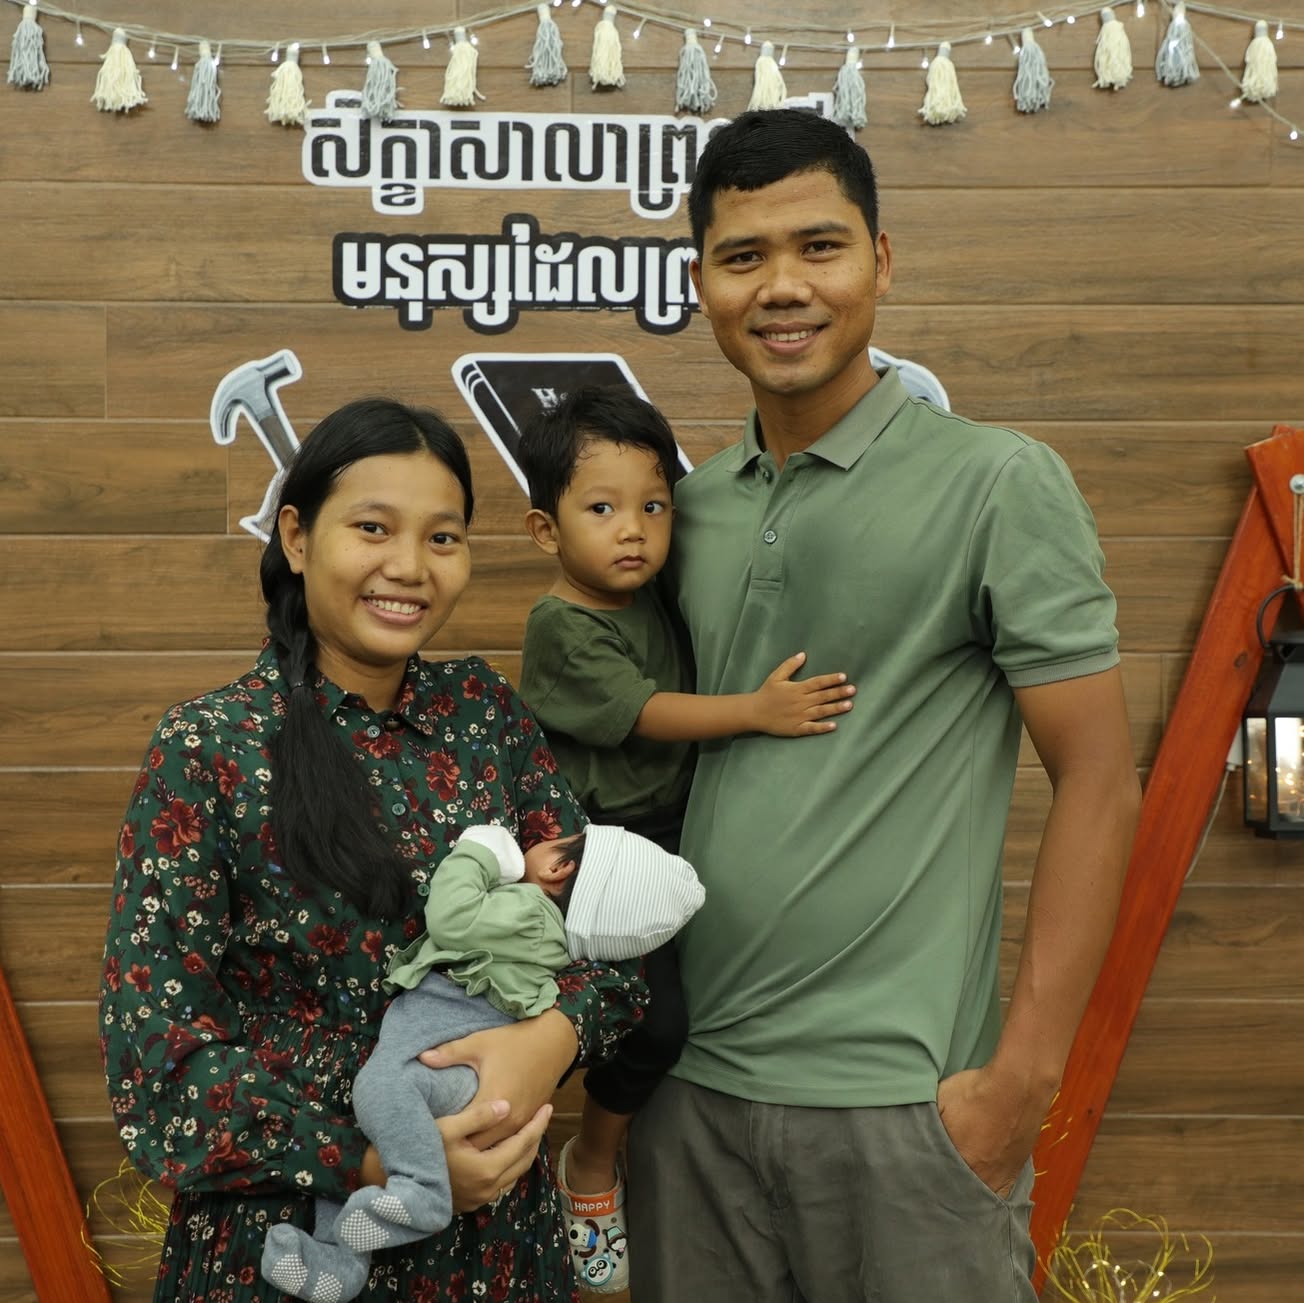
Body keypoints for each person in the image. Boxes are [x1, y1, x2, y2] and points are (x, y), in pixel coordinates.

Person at [625, 109, 1143, 1302]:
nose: (781, 286)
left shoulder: (995, 481)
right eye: (741, 256)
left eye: (819, 246)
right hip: (686, 1101)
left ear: (881, 261)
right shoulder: (684, 511)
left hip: (905, 1111)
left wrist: (1017, 1084)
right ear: (698, 283)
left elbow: (1098, 780)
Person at [100, 397, 649, 1303]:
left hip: (496, 1244)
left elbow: (615, 932)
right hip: (280, 1241)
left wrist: (548, 1041)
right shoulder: (211, 746)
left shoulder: (484, 713)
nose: (409, 566)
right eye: (372, 528)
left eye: (443, 537)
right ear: (297, 535)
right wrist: (374, 1158)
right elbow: (158, 1062)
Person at [515, 386, 855, 1292]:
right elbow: (648, 712)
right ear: (546, 530)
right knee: (657, 1021)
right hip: (605, 848)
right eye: (601, 509)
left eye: (654, 506)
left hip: (679, 830)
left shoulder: (652, 590)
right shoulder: (561, 625)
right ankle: (590, 1160)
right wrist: (758, 711)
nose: (633, 530)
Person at [262, 823, 704, 1302]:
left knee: (378, 1091)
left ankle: (425, 1192)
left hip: (444, 1063)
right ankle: (337, 1261)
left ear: (558, 868)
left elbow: (452, 917)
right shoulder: (552, 938)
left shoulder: (530, 913)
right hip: (457, 1069)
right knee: (371, 1129)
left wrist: (478, 853)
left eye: (557, 839)